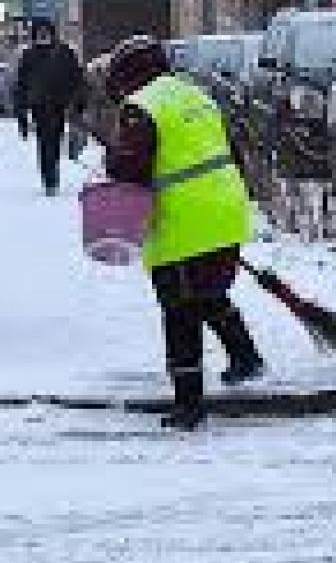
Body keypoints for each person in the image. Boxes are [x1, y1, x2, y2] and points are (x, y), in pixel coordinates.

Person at [103, 35, 265, 431]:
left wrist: (112, 158)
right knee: (207, 292)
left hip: (182, 220)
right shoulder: (196, 95)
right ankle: (245, 357)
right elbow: (231, 149)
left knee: (179, 311)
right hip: (226, 210)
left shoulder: (140, 108)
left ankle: (189, 404)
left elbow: (130, 169)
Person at [14, 19, 85, 196]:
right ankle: (50, 179)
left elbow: (77, 79)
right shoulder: (29, 56)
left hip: (60, 106)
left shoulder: (65, 53)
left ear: (52, 33)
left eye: (46, 32)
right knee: (45, 142)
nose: (43, 36)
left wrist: (78, 104)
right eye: (40, 33)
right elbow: (21, 85)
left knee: (55, 140)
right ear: (35, 35)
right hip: (40, 107)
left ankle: (52, 175)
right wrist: (21, 115)